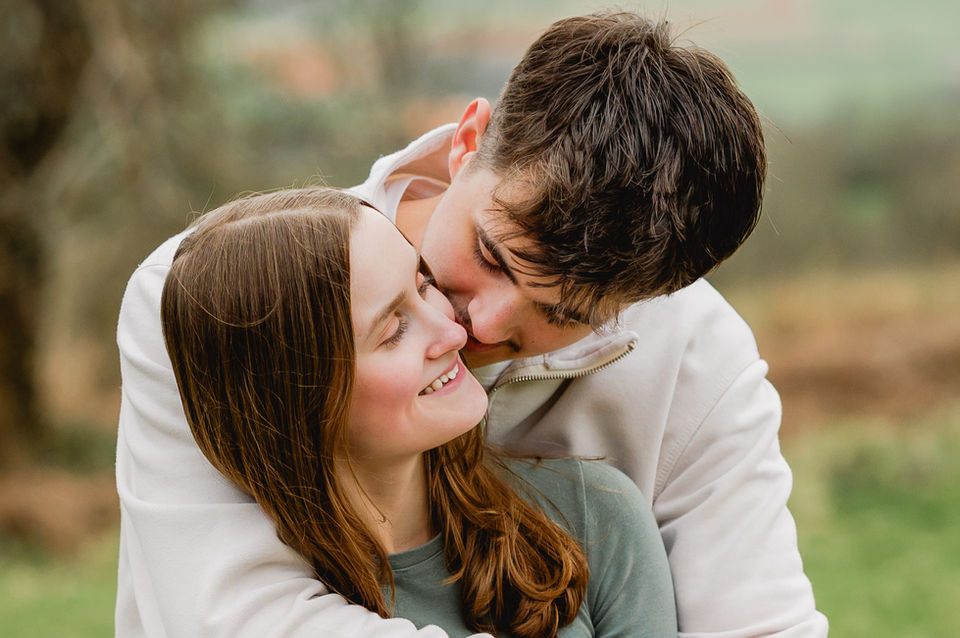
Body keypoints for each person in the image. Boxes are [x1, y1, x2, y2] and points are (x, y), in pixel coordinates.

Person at [115, 11, 828, 638]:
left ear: (649, 296)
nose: (474, 325)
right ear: (468, 139)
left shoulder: (700, 361)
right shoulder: (209, 295)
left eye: (563, 314)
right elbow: (229, 618)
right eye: (492, 253)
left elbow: (759, 626)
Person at [157, 187, 677, 638]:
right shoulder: (258, 608)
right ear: (296, 397)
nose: (455, 332)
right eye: (393, 331)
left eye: (424, 285)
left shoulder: (591, 515)